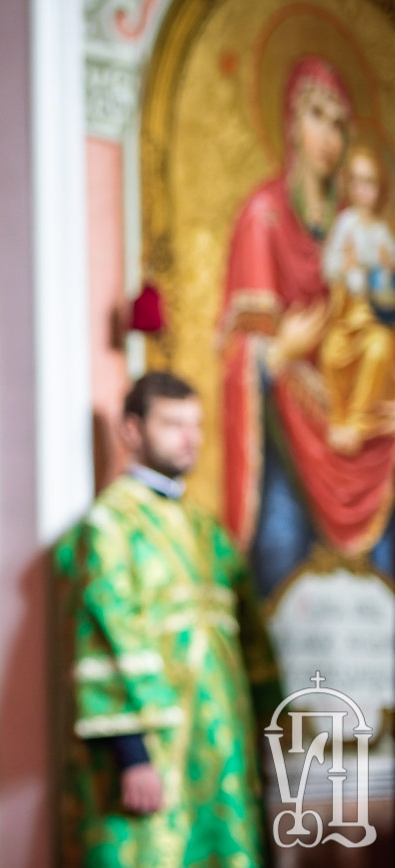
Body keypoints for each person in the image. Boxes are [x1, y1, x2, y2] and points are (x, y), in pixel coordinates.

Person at [55, 372, 281, 868]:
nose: (190, 438)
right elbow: (104, 640)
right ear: (132, 430)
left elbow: (252, 644)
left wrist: (273, 732)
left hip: (223, 751)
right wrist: (133, 756)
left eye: (195, 425)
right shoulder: (112, 524)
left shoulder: (207, 530)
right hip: (159, 756)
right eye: (173, 424)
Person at [222, 55, 395, 594]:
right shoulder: (264, 217)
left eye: (340, 123)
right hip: (290, 435)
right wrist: (278, 352)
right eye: (317, 115)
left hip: (361, 433)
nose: (329, 137)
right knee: (281, 552)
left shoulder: (353, 230)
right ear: (291, 121)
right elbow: (236, 353)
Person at [318, 145, 395, 454]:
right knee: (331, 354)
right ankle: (339, 417)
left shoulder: (382, 233)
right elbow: (330, 265)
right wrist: (347, 267)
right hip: (348, 316)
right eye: (358, 181)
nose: (364, 190)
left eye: (370, 182)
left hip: (374, 317)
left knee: (378, 350)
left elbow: (388, 277)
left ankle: (358, 421)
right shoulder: (346, 224)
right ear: (349, 185)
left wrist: (385, 268)